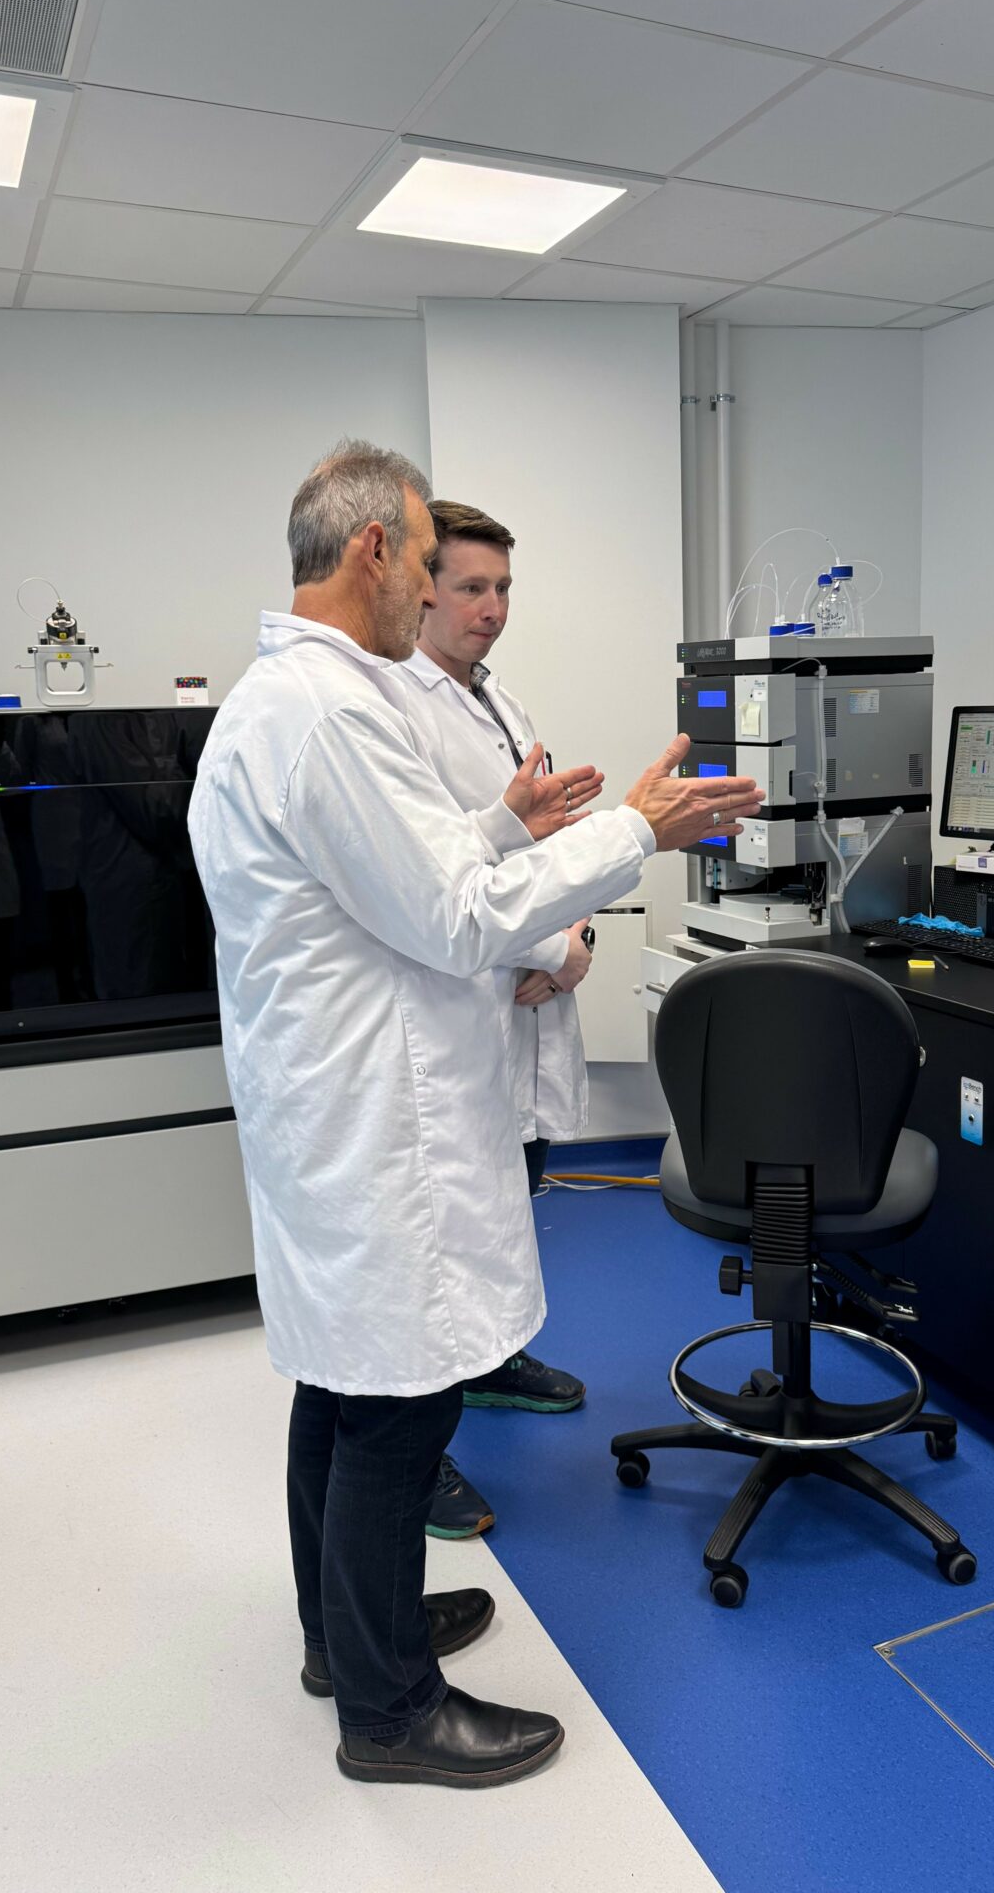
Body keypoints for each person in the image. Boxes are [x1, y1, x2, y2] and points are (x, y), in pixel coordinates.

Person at [188, 440, 760, 1789]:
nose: (446, 593)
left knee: (343, 1389)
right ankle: (388, 1712)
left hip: (335, 1109)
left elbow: (411, 868)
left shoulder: (295, 699)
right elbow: (455, 918)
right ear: (377, 551)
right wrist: (634, 832)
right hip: (377, 1122)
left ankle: (346, 1635)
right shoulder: (329, 713)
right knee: (395, 1406)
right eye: (431, 564)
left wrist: (505, 826)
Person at [392, 502, 591, 1544]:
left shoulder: (495, 697)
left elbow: (540, 843)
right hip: (471, 1002)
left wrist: (577, 931)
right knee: (448, 1240)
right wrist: (558, 949)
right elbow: (441, 885)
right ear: (420, 588)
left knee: (516, 1188)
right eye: (472, 587)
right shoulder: (401, 710)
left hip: (529, 991)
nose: (492, 608)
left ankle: (494, 1358)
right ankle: (416, 1454)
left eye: (503, 588)